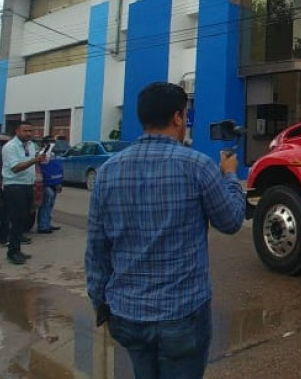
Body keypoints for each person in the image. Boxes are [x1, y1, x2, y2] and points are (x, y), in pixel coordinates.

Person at [86, 82, 244, 379]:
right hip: (182, 314)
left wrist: (101, 303)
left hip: (127, 314)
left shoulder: (107, 171)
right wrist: (231, 174)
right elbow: (232, 221)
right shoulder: (198, 166)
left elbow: (96, 249)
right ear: (177, 117)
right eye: (185, 115)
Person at [1, 122, 45, 264]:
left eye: (31, 131)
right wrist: (35, 160)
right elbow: (15, 168)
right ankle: (12, 252)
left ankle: (17, 248)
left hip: (27, 185)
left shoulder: (31, 145)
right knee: (16, 219)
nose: (28, 133)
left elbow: (32, 163)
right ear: (17, 131)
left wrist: (41, 158)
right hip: (14, 186)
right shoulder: (10, 147)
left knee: (23, 220)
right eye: (25, 131)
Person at [37, 137, 63, 234]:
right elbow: (43, 164)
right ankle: (42, 225)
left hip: (54, 181)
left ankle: (47, 223)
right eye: (51, 142)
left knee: (50, 203)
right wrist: (46, 150)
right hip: (45, 182)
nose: (54, 144)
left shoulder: (53, 154)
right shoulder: (42, 154)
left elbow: (57, 168)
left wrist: (59, 182)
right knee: (46, 202)